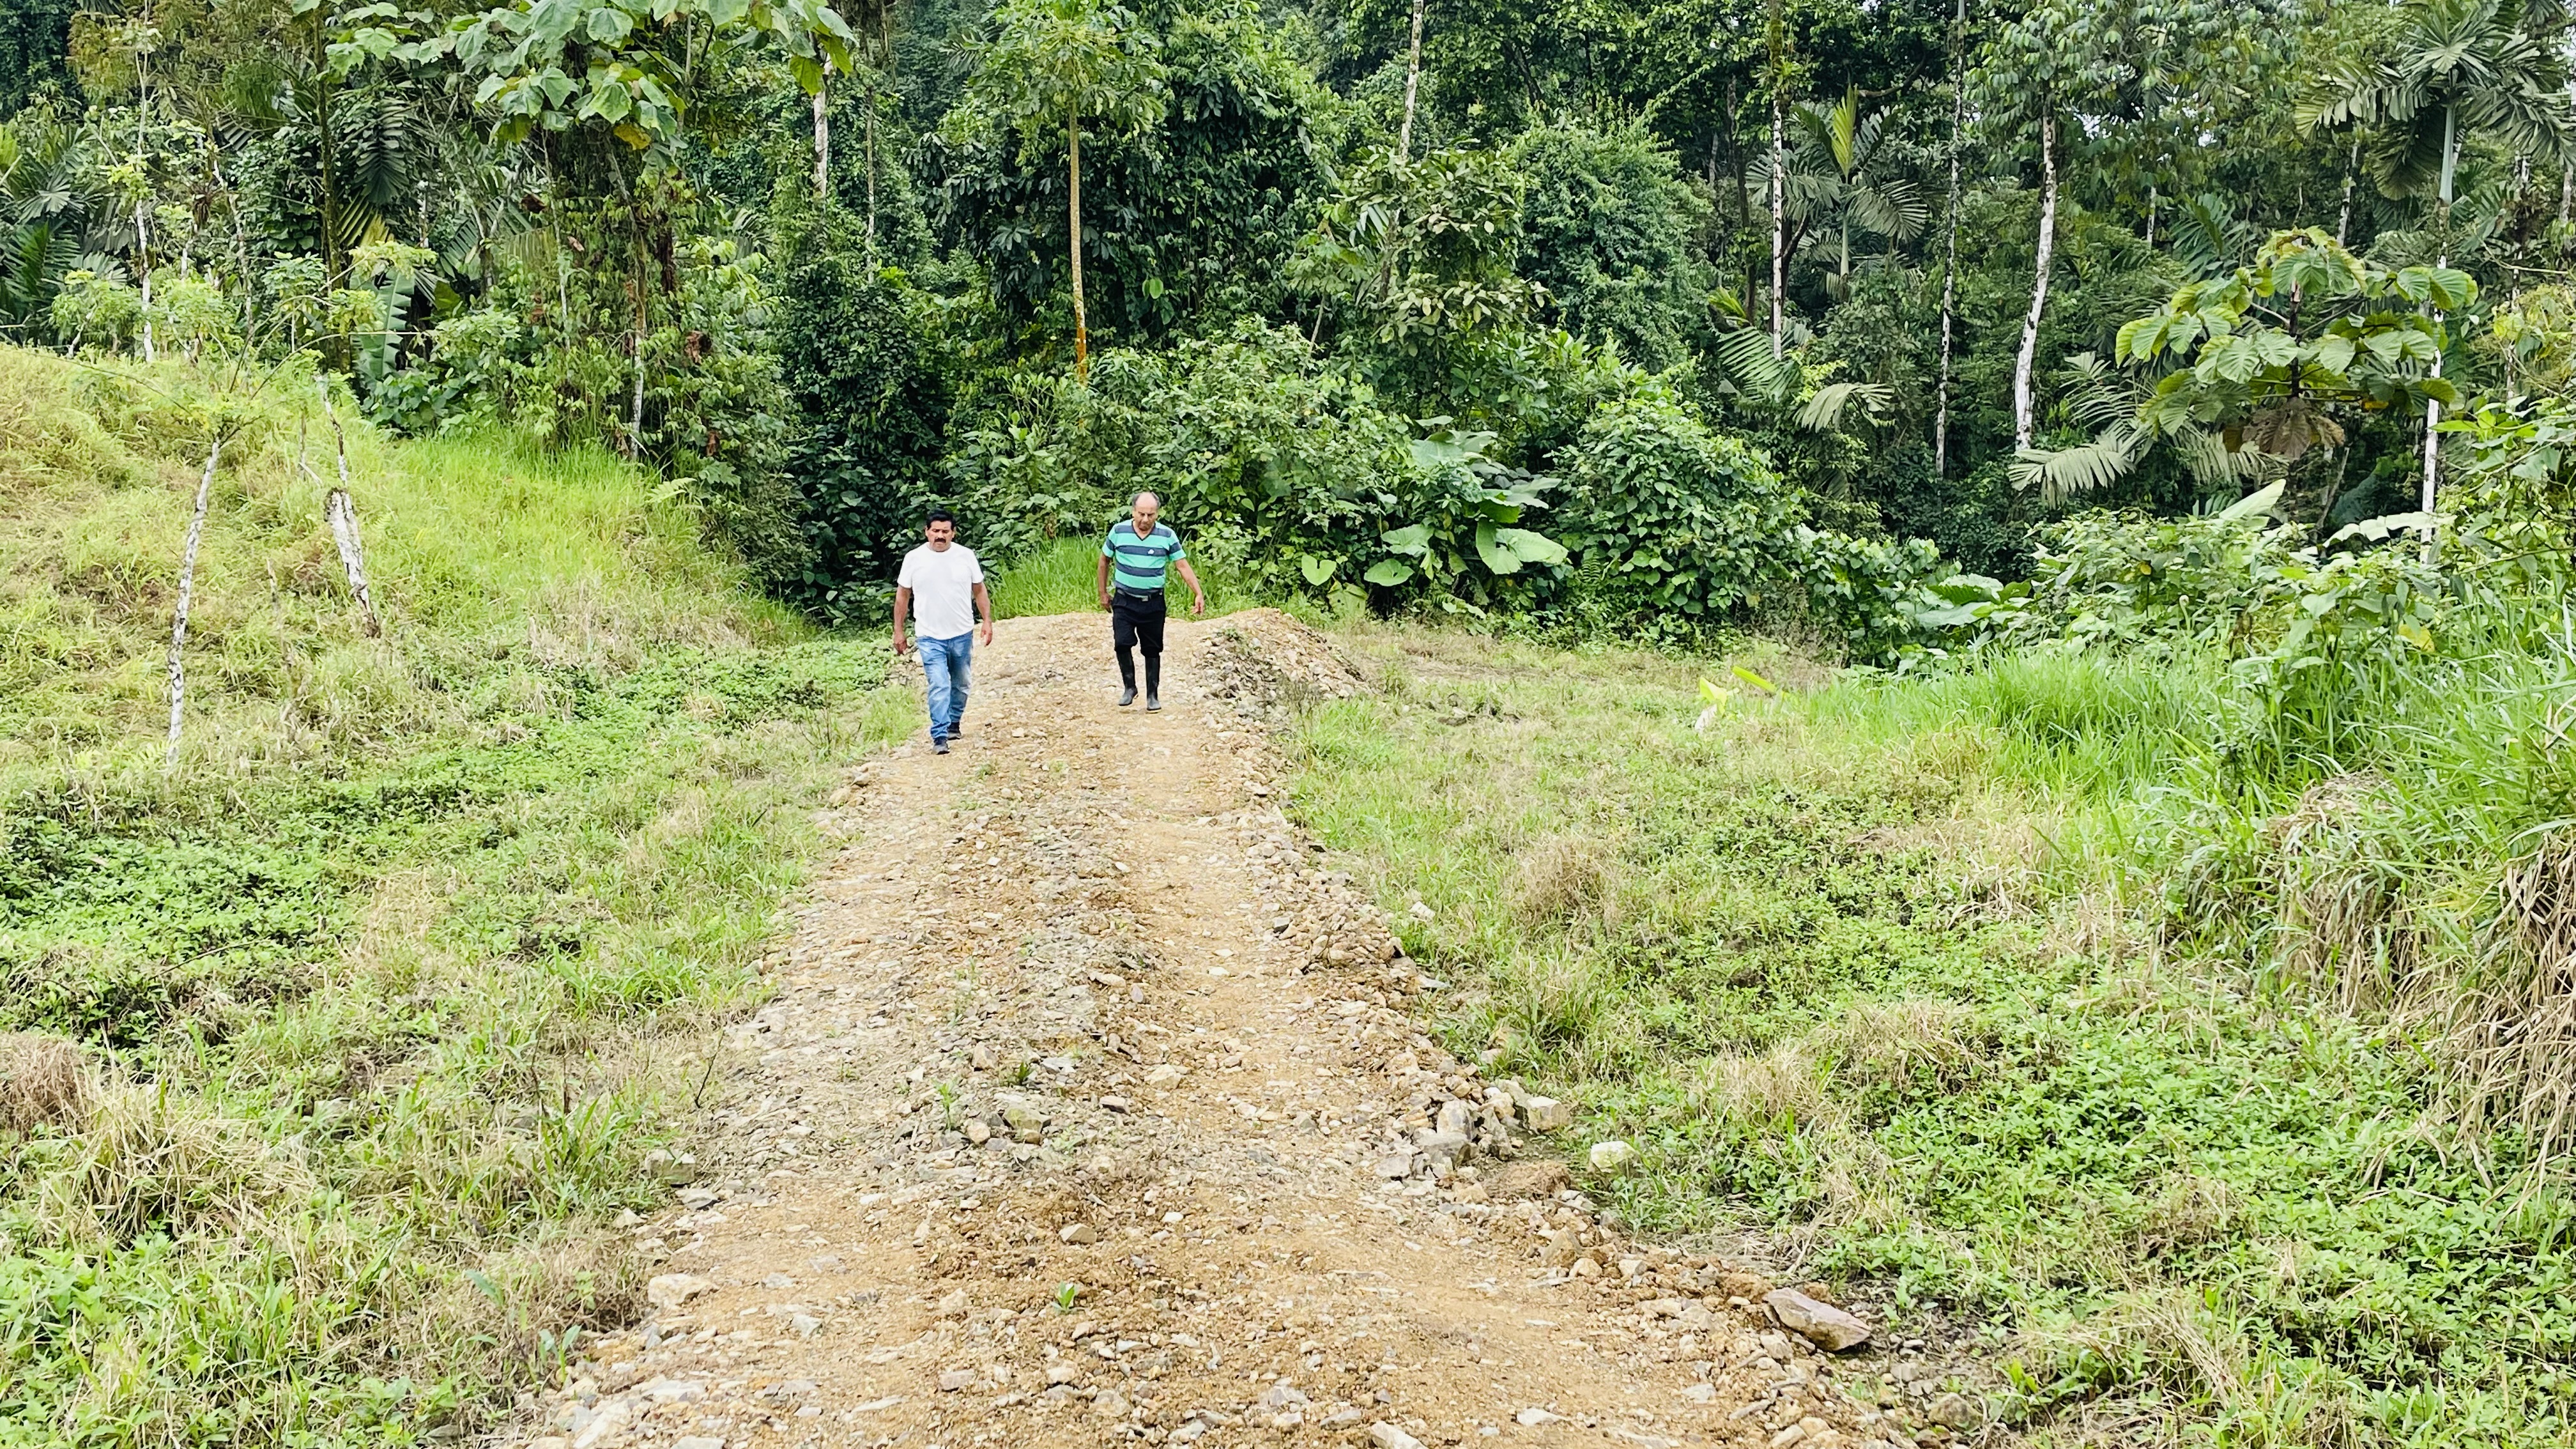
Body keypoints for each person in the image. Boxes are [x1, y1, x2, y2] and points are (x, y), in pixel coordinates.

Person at [894, 508, 993, 755]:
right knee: (939, 684)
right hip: (929, 636)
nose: (940, 535)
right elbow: (903, 596)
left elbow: (979, 589)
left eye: (945, 531)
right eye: (935, 531)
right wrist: (899, 631)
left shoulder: (965, 556)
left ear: (953, 533)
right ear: (926, 532)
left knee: (961, 683)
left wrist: (987, 621)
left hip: (961, 632)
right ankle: (939, 736)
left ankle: (953, 722)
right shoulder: (914, 559)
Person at [1096, 491, 1206, 710]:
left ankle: (1152, 696)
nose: (1145, 519)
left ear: (1157, 514)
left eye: (1151, 515)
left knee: (1152, 648)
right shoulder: (1118, 531)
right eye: (1141, 514)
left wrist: (1198, 593)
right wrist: (1103, 593)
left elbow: (1182, 565)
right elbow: (1104, 561)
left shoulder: (1167, 535)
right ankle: (1129, 688)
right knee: (1122, 642)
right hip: (1124, 600)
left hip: (1154, 603)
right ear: (1133, 511)